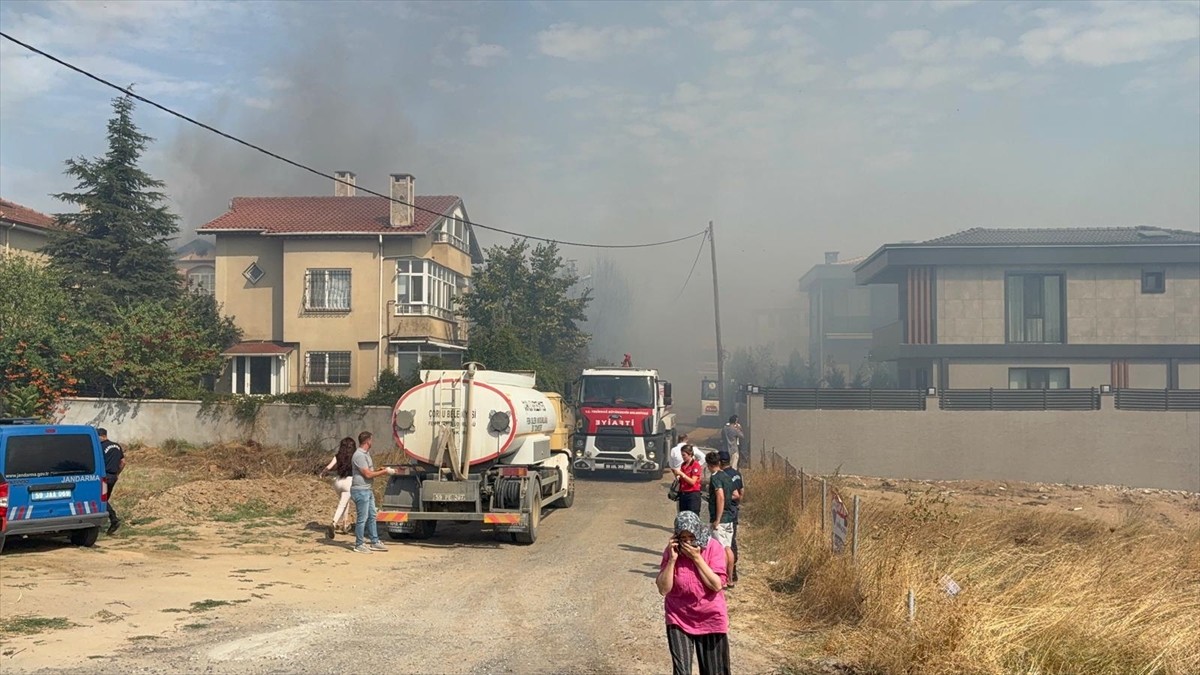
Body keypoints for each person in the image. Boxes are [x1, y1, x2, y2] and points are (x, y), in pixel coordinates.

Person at [656, 510, 730, 675]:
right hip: (679, 616)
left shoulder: (712, 548)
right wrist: (673, 559)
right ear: (677, 538)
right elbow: (663, 589)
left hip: (710, 617)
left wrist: (697, 558)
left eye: (692, 538)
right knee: (682, 671)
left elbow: (716, 585)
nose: (688, 543)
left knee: (714, 671)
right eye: (684, 539)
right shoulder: (672, 551)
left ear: (699, 532)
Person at [350, 431, 395, 553]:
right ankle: (359, 544)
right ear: (367, 441)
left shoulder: (366, 454)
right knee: (362, 518)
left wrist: (378, 470)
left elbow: (369, 471)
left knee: (372, 516)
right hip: (360, 490)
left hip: (367, 490)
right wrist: (384, 472)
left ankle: (374, 541)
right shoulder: (359, 455)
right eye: (371, 440)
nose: (372, 442)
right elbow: (367, 474)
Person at [706, 451, 737, 587]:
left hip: (721, 518)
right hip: (730, 517)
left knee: (720, 549)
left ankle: (723, 580)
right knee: (728, 548)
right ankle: (730, 578)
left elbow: (720, 496)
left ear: (708, 465)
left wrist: (717, 518)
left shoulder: (715, 478)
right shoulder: (727, 476)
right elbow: (735, 494)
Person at [320, 437, 357, 539]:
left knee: (345, 502)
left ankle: (345, 525)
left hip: (337, 482)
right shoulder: (355, 456)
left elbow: (329, 467)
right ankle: (334, 523)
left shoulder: (338, 456)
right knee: (342, 504)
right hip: (349, 482)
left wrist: (323, 472)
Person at [719, 450, 744, 584]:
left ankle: (727, 573)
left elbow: (727, 495)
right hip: (735, 509)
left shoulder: (723, 476)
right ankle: (733, 572)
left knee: (725, 543)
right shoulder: (737, 473)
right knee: (732, 540)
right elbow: (741, 492)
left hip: (726, 510)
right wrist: (738, 504)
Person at [98, 428, 124, 535]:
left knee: (102, 500)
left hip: (105, 476)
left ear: (102, 436)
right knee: (105, 499)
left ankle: (114, 520)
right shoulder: (117, 446)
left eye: (97, 437)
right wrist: (117, 474)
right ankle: (101, 523)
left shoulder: (101, 447)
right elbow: (123, 462)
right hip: (113, 476)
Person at [675, 445, 703, 515]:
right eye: (682, 455)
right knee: (683, 516)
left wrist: (682, 474)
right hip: (683, 494)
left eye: (684, 455)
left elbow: (692, 482)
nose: (682, 457)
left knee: (693, 516)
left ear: (690, 454)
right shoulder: (683, 465)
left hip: (692, 495)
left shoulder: (695, 465)